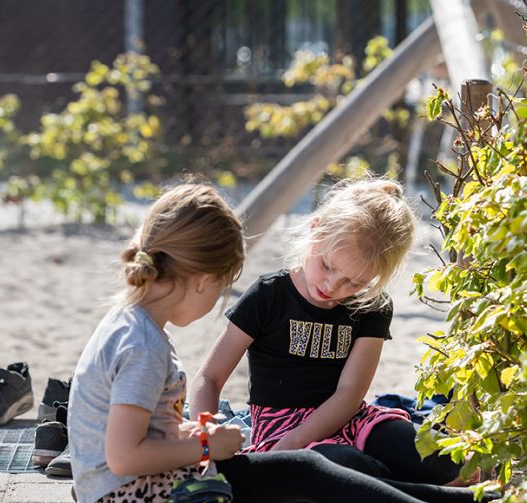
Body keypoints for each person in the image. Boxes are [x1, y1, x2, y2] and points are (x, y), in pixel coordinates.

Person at [69, 181, 502, 503]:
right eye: (220, 289)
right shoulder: (142, 343)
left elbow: (139, 439)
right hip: (139, 501)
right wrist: (205, 446)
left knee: (311, 474)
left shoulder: (135, 329)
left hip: (144, 488)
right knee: (310, 471)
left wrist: (202, 437)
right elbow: (124, 456)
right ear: (202, 280)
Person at [188, 177, 465, 486]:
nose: (333, 287)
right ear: (315, 229)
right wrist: (206, 437)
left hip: (352, 418)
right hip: (282, 430)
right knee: (349, 471)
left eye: (355, 282)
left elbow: (350, 394)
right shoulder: (269, 296)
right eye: (328, 267)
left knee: (439, 460)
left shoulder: (370, 305)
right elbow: (209, 377)